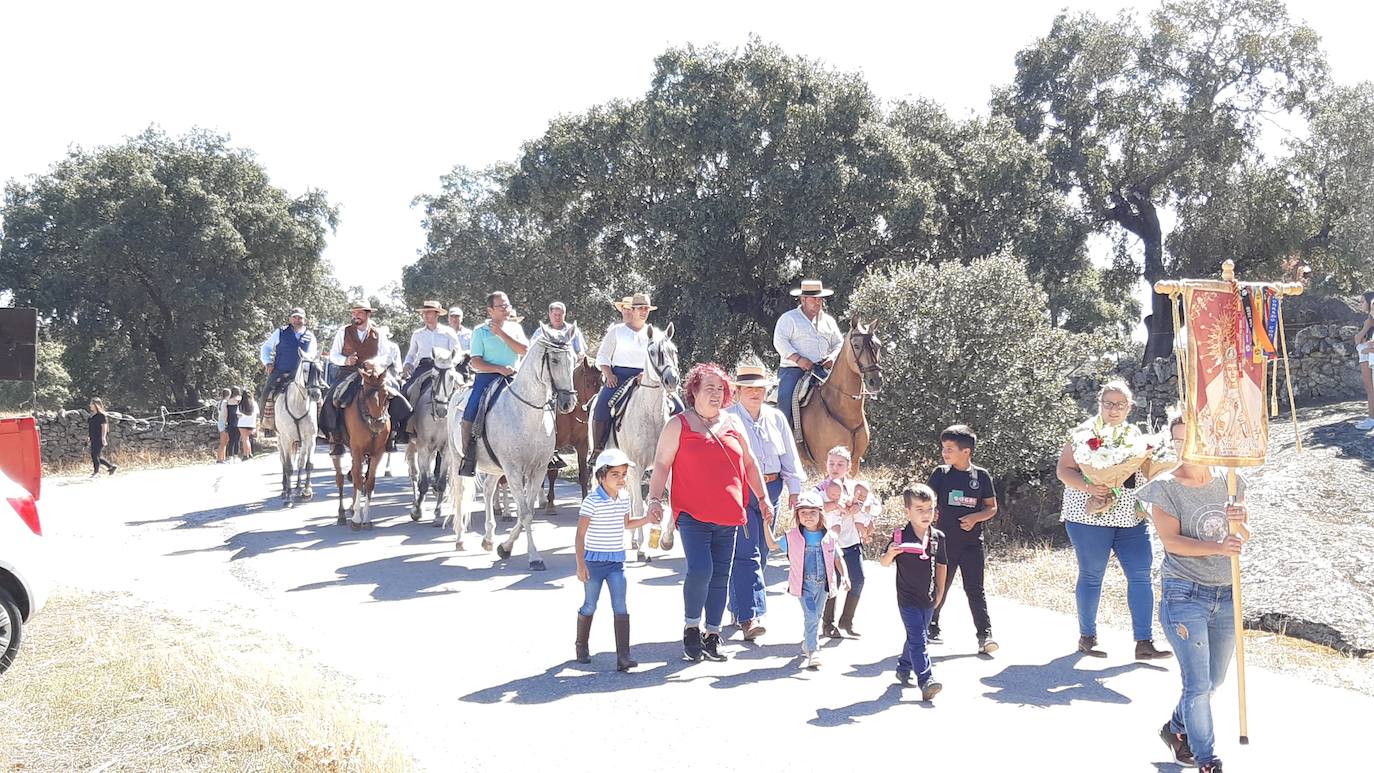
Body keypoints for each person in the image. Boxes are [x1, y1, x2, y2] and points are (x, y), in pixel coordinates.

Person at [1136, 412, 1249, 773]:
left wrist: (1239, 521)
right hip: (1184, 594)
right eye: (1179, 439)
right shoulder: (1165, 486)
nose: (1185, 446)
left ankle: (1176, 727)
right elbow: (1172, 542)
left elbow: (1242, 537)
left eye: (1192, 438)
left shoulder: (1231, 480)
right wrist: (1219, 547)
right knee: (1198, 684)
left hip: (1226, 593)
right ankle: (1207, 758)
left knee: (1214, 680)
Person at [646, 362, 775, 663]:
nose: (716, 394)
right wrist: (653, 499)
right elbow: (662, 464)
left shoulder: (734, 423)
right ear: (693, 391)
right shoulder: (678, 424)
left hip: (729, 514)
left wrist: (763, 498)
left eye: (721, 389)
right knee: (701, 569)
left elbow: (751, 464)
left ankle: (712, 635)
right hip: (691, 513)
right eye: (709, 388)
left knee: (721, 575)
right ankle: (692, 627)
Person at [1055, 380, 1172, 660]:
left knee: (1141, 575)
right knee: (1092, 575)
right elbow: (1064, 470)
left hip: (1131, 517)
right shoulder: (1083, 434)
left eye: (1120, 404)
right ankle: (1088, 637)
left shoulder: (1136, 436)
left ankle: (1144, 642)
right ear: (1100, 405)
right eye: (1108, 404)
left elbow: (1146, 470)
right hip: (1088, 518)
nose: (1114, 409)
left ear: (1130, 407)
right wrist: (1090, 487)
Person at [725, 363, 804, 641]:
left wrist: (795, 490)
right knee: (748, 552)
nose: (756, 393)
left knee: (764, 549)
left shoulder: (776, 417)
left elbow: (790, 458)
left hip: (772, 490)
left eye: (760, 388)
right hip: (741, 492)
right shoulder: (727, 419)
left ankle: (738, 605)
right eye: (750, 389)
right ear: (738, 392)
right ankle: (751, 616)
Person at [574, 448, 661, 672]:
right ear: (601, 476)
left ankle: (624, 656)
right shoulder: (591, 502)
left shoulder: (624, 498)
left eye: (624, 474)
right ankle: (581, 645)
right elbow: (580, 534)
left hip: (616, 563)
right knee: (590, 604)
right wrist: (580, 565)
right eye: (615, 474)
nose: (621, 479)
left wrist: (646, 519)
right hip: (593, 562)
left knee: (620, 605)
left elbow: (627, 523)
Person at [927, 424, 999, 653]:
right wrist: (931, 512)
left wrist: (976, 517)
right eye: (943, 448)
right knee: (940, 586)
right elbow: (925, 500)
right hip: (944, 543)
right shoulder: (941, 473)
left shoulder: (981, 476)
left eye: (949, 449)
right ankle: (931, 626)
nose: (944, 453)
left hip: (972, 543)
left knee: (975, 588)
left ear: (966, 451)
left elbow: (991, 507)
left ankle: (985, 636)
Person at [880, 484, 947, 701]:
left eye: (930, 509)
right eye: (920, 509)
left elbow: (942, 566)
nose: (926, 514)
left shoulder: (938, 537)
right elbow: (884, 562)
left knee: (917, 635)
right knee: (919, 638)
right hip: (906, 599)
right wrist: (890, 553)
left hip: (928, 597)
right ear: (907, 511)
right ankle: (926, 680)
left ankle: (903, 666)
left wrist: (940, 592)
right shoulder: (900, 535)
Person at [458, 291, 529, 476]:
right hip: (487, 377)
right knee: (471, 410)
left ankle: (547, 451)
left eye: (507, 305)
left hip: (515, 377)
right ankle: (469, 455)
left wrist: (502, 334)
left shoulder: (515, 328)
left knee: (541, 404)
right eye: (501, 306)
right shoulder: (479, 331)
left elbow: (524, 350)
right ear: (490, 310)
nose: (506, 309)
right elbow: (475, 361)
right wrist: (499, 368)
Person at [320, 301, 400, 456]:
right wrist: (345, 360)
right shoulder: (343, 331)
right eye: (354, 313)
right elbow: (334, 354)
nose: (355, 316)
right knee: (331, 398)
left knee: (396, 394)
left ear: (367, 314)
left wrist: (375, 363)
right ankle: (335, 437)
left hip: (373, 374)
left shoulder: (378, 333)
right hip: (348, 372)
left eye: (359, 313)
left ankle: (392, 434)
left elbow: (386, 356)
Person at [816, 446, 879, 639]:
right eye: (831, 463)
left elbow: (876, 506)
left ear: (849, 466)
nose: (835, 467)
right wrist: (835, 505)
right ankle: (828, 624)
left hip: (852, 542)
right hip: (830, 545)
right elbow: (811, 507)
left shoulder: (857, 487)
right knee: (832, 582)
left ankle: (847, 621)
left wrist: (860, 506)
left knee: (858, 579)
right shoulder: (820, 488)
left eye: (840, 464)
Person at [784, 490, 846, 669]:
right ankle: (813, 650)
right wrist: (766, 523)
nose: (808, 516)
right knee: (811, 615)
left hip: (823, 585)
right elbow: (773, 544)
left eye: (813, 512)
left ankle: (807, 642)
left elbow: (837, 558)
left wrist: (846, 576)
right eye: (803, 512)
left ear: (820, 514)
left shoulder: (829, 537)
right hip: (802, 585)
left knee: (816, 616)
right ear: (797, 515)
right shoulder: (793, 537)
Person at [591, 292, 656, 458]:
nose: (643, 311)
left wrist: (648, 374)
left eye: (646, 308)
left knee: (677, 405)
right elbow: (603, 356)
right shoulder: (617, 332)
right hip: (619, 377)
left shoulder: (654, 333)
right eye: (640, 308)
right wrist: (609, 374)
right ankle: (598, 449)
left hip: (646, 378)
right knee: (602, 405)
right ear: (632, 310)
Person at [773, 278, 843, 429]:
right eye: (813, 299)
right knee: (785, 399)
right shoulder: (789, 318)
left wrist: (832, 357)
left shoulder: (829, 321)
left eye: (820, 299)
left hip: (821, 370)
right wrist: (798, 359)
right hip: (793, 370)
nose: (818, 302)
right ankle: (781, 435)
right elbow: (779, 341)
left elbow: (839, 343)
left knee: (843, 395)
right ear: (803, 299)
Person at [398, 300, 462, 442]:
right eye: (424, 313)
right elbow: (411, 353)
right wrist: (407, 363)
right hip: (424, 366)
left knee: (463, 389)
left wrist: (451, 363)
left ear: (437, 314)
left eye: (429, 313)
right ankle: (405, 429)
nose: (425, 316)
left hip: (445, 366)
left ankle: (462, 425)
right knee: (406, 390)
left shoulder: (448, 332)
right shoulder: (418, 334)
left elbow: (458, 352)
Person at [258, 307, 317, 408]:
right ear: (290, 319)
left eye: (300, 318)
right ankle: (264, 421)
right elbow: (266, 347)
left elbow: (312, 355)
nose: (297, 320)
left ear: (304, 320)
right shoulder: (280, 332)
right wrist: (267, 362)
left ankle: (320, 421)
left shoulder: (310, 336)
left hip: (301, 374)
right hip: (280, 370)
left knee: (317, 395)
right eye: (294, 317)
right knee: (266, 392)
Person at [1351, 291, 1374, 430]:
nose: (1360, 304)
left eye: (1362, 301)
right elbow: (1357, 340)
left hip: (1368, 353)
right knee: (1369, 387)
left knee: (1370, 388)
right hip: (1365, 353)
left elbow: (1359, 339)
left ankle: (1371, 418)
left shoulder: (1370, 320)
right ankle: (1371, 417)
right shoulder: (1368, 319)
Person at [87, 398, 118, 477]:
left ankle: (96, 472)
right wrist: (88, 437)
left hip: (99, 437)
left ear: (96, 405)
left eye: (92, 404)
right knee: (98, 456)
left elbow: (104, 427)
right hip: (93, 437)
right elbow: (91, 427)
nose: (90, 405)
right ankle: (111, 467)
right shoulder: (92, 415)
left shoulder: (101, 416)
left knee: (95, 455)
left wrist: (103, 437)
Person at [236, 392, 257, 459]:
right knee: (247, 439)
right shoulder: (254, 403)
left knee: (245, 439)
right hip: (251, 423)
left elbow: (238, 415)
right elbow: (257, 414)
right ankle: (250, 453)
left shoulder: (241, 404)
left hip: (242, 424)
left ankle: (245, 455)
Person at [225, 387, 242, 460]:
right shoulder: (239, 400)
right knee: (237, 440)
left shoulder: (228, 401)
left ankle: (230, 456)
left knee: (231, 440)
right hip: (238, 422)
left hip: (230, 422)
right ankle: (236, 455)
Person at [215, 388, 232, 463]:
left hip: (221, 421)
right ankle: (219, 458)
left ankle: (223, 458)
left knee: (225, 441)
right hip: (223, 422)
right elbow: (225, 413)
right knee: (223, 442)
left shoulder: (220, 402)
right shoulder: (225, 402)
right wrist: (226, 422)